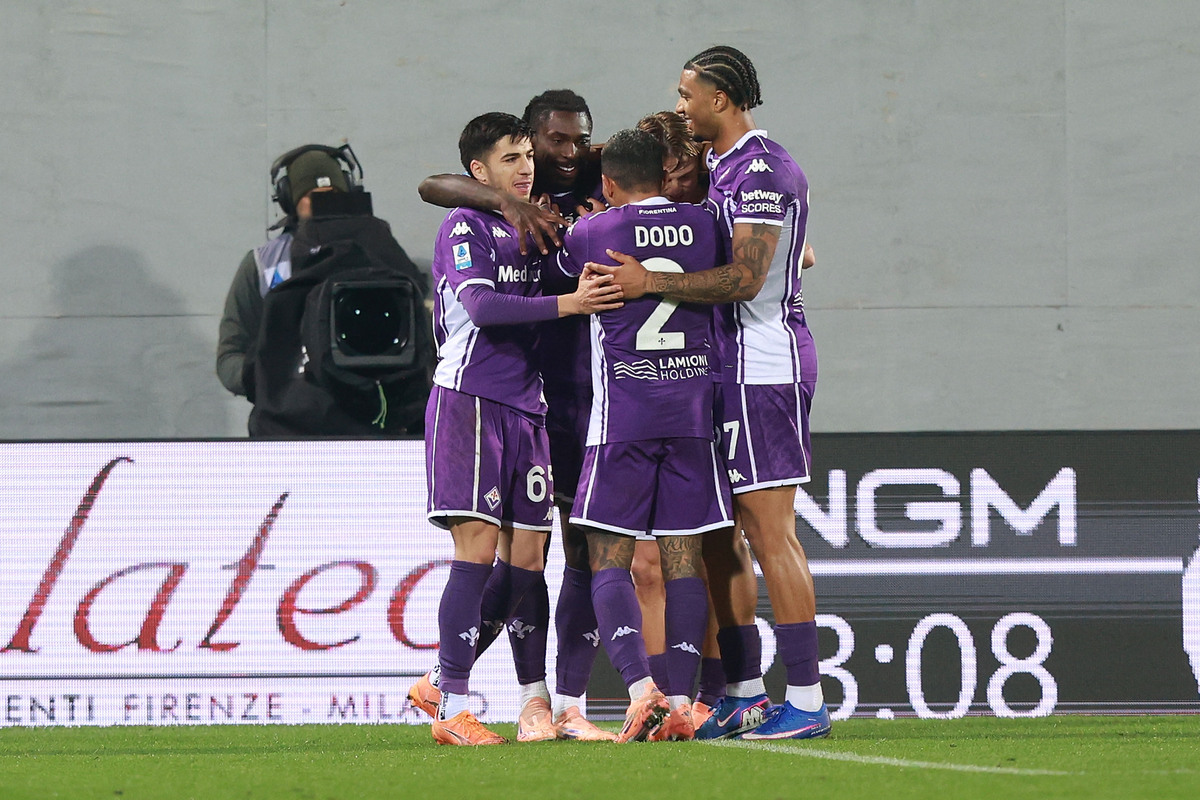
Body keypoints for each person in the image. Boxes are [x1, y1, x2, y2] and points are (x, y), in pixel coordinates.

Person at [588, 45, 831, 740]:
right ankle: (746, 691)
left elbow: (748, 279)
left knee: (769, 531)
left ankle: (808, 700)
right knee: (722, 536)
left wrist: (649, 282)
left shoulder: (761, 167)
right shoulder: (726, 172)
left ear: (720, 98)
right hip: (724, 370)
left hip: (763, 367)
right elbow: (796, 250)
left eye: (687, 92)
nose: (681, 103)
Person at [412, 91, 616, 742]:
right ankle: (453, 705)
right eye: (516, 156)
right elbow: (486, 308)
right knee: (475, 553)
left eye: (531, 155)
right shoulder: (467, 226)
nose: (532, 165)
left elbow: (557, 270)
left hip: (531, 407)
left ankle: (502, 696)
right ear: (484, 171)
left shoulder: (545, 220)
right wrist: (571, 304)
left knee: (527, 560)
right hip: (471, 400)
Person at [558, 128, 730, 742]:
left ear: (607, 183)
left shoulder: (591, 232)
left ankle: (640, 691)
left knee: (610, 557)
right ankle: (681, 700)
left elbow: (552, 267)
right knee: (685, 559)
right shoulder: (705, 226)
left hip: (621, 421)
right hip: (691, 418)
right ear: (664, 172)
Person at [217, 146, 352, 401]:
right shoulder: (261, 265)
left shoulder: (376, 252)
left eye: (332, 195)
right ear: (289, 199)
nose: (324, 205)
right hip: (286, 424)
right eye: (313, 196)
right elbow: (229, 357)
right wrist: (268, 378)